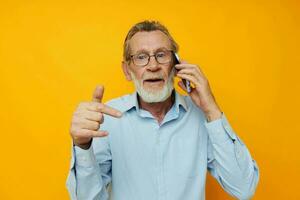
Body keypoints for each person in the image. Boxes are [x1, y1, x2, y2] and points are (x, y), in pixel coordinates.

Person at [66, 20, 259, 200]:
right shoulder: (106, 118)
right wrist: (83, 147)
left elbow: (243, 188)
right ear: (127, 70)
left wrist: (212, 110)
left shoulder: (201, 115)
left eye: (161, 55)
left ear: (176, 64)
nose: (153, 66)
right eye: (141, 57)